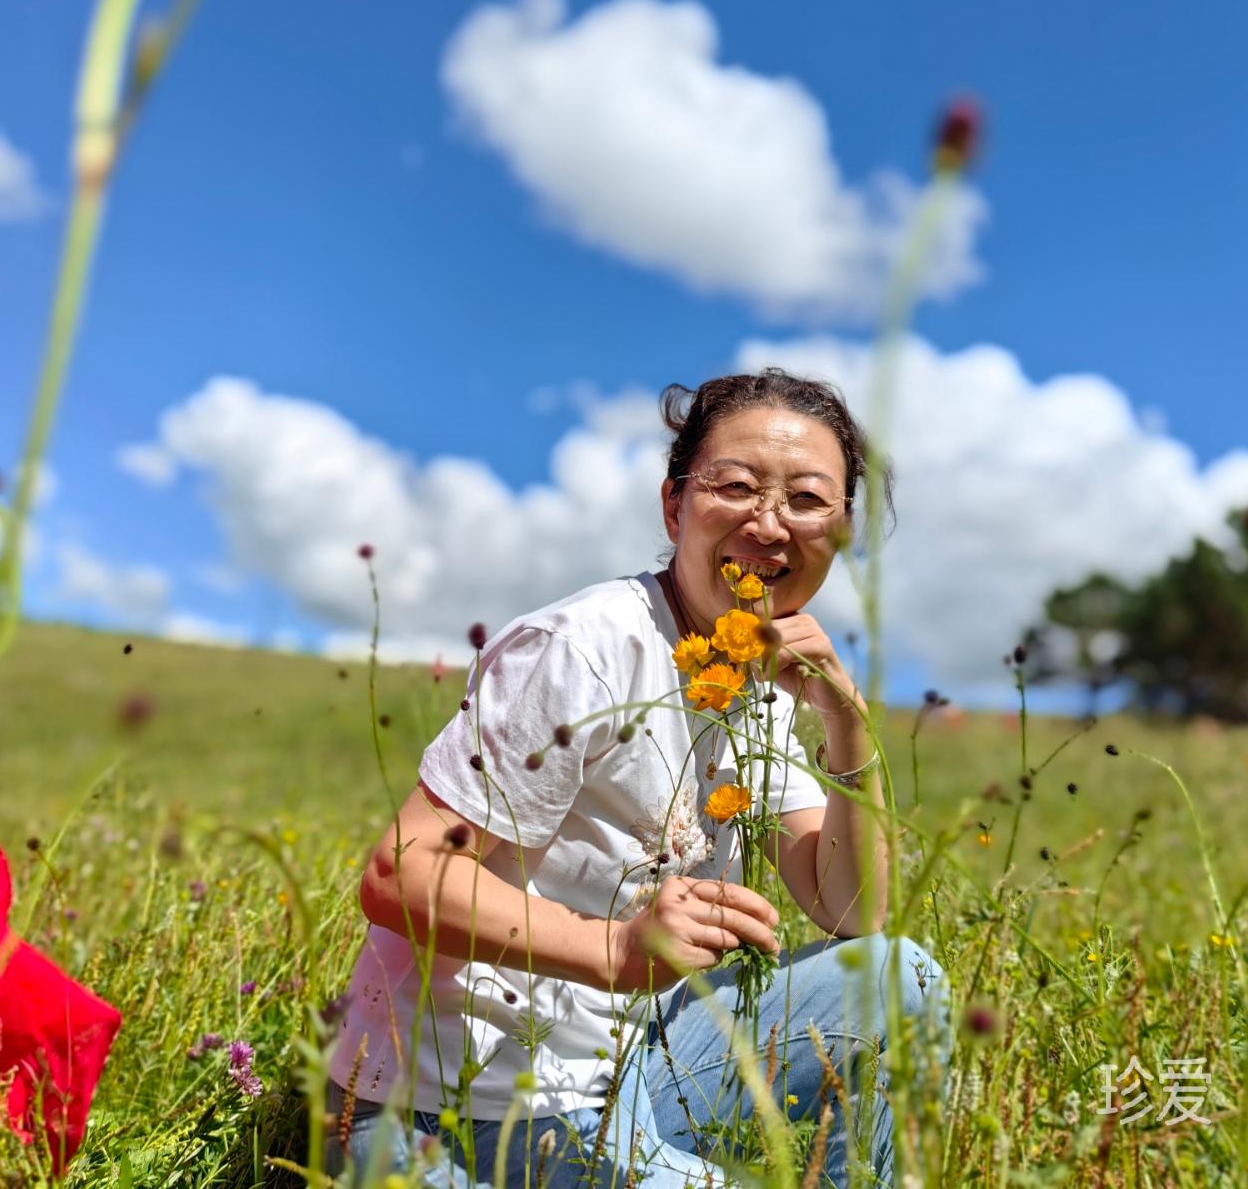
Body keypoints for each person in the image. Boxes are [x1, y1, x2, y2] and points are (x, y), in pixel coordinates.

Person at [324, 368, 948, 1188]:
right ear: (674, 506)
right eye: (736, 486)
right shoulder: (584, 648)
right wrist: (615, 948)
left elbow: (851, 909)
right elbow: (401, 872)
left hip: (627, 1072)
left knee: (900, 978)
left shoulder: (757, 685)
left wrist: (846, 718)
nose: (769, 523)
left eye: (806, 501)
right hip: (454, 1108)